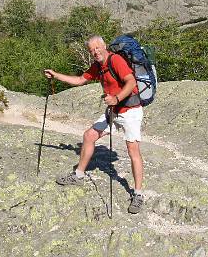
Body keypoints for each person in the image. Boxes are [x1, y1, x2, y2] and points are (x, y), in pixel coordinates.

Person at [44, 35, 145, 214]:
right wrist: (56, 75)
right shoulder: (98, 66)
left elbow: (131, 82)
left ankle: (137, 194)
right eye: (91, 50)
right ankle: (79, 175)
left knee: (133, 151)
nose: (95, 52)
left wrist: (116, 98)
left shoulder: (116, 60)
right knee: (89, 135)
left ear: (104, 46)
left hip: (130, 111)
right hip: (113, 111)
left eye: (97, 48)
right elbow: (80, 80)